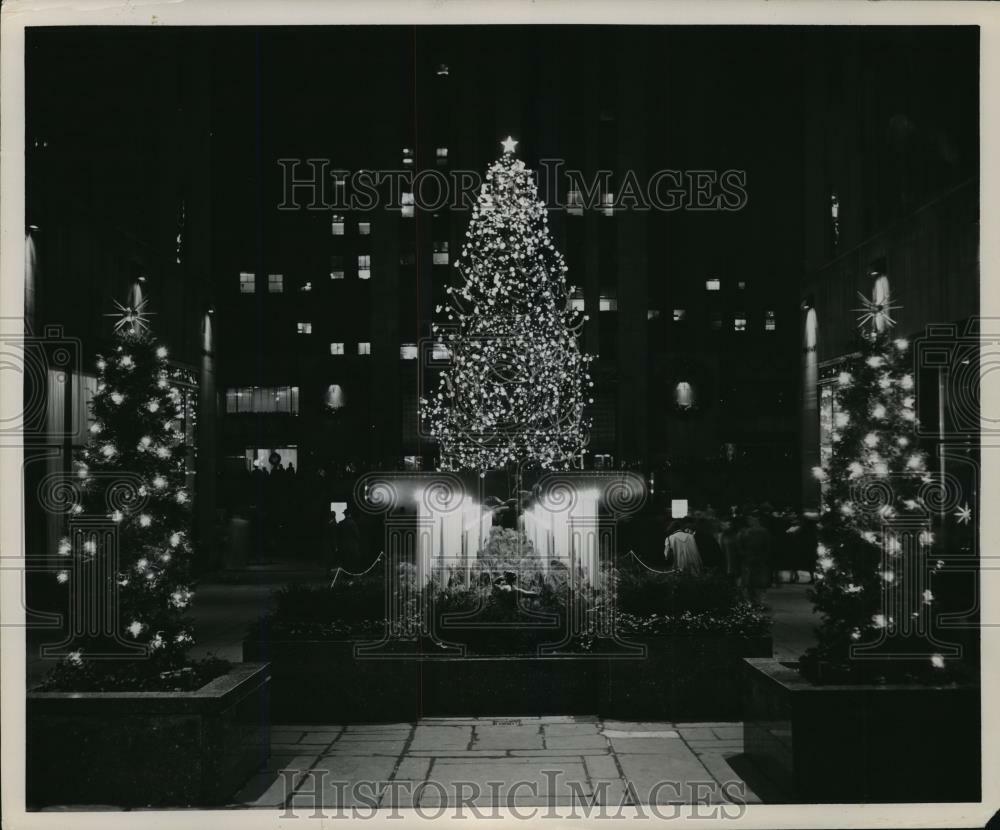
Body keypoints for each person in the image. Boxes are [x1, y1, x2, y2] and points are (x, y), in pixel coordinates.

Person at [739, 511, 772, 600]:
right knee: (750, 581)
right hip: (750, 559)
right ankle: (753, 599)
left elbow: (767, 546)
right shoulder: (746, 532)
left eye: (752, 519)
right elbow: (741, 545)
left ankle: (757, 600)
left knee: (757, 581)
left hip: (758, 559)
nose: (750, 521)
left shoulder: (762, 532)